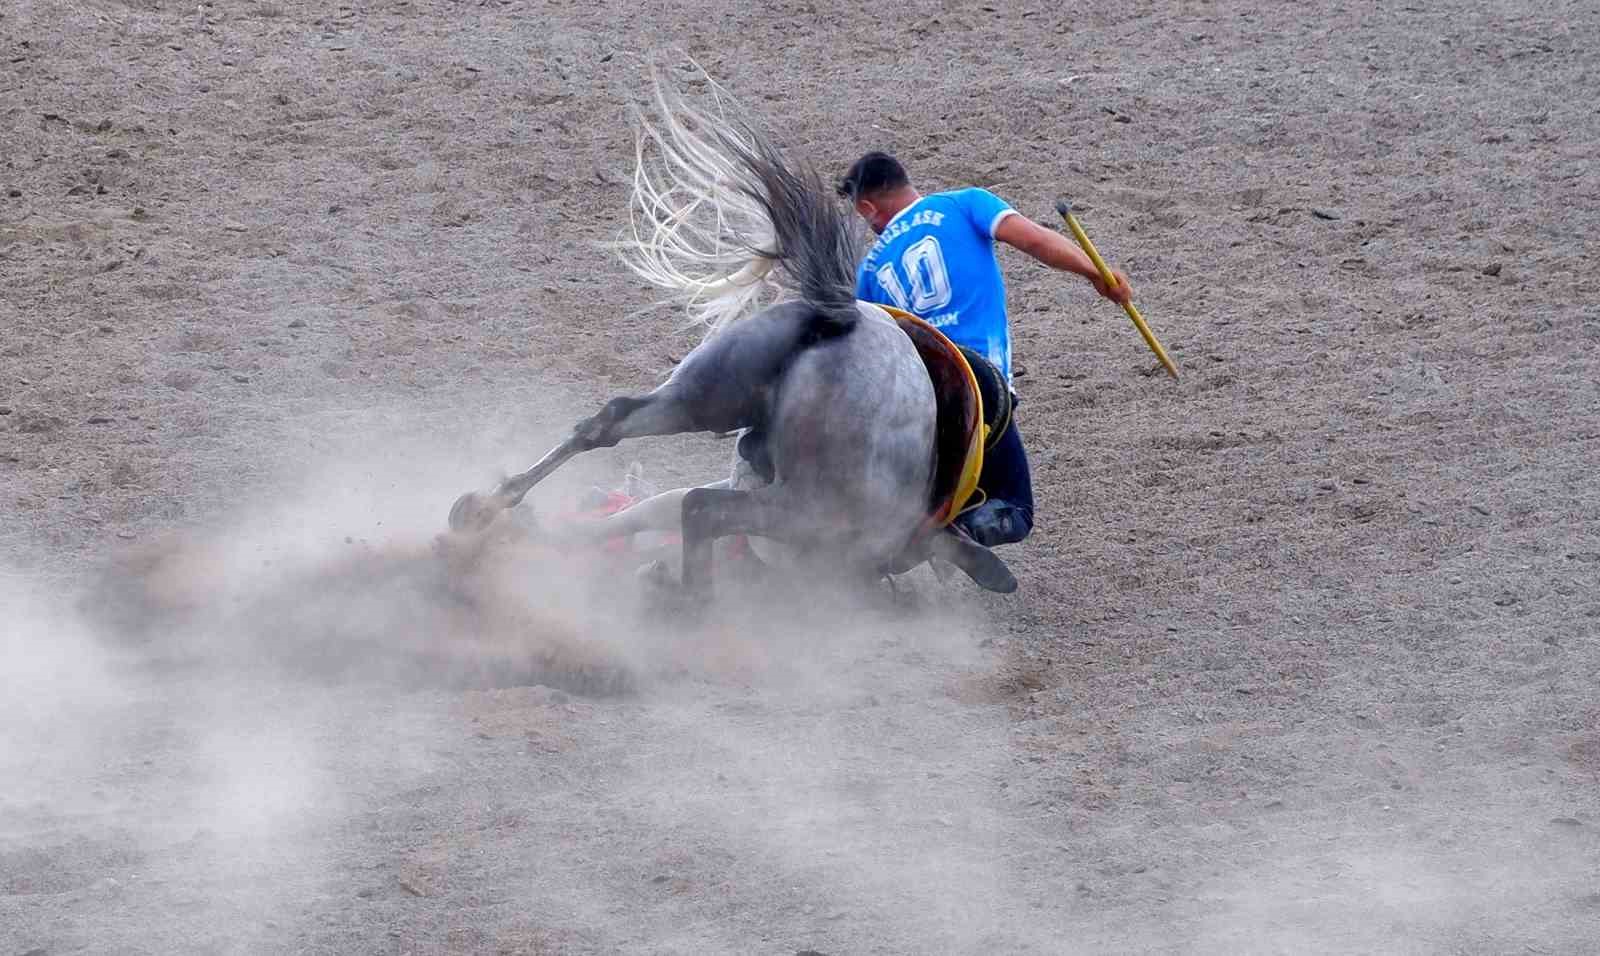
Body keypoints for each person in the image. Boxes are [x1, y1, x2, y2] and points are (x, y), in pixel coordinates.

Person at [836, 151, 1133, 548]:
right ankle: (960, 531)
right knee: (1015, 509)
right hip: (974, 378)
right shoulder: (965, 203)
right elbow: (1034, 240)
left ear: (868, 206)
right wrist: (1096, 273)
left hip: (908, 392)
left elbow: (858, 342)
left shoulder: (869, 268)